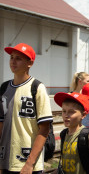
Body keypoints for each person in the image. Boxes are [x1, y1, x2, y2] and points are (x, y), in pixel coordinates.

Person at [0, 43, 53, 173]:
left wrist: (30, 164)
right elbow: (1, 125)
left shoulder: (37, 88)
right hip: (5, 161)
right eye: (12, 57)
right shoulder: (4, 88)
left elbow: (44, 129)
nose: (13, 61)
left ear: (30, 63)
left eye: (18, 58)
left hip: (27, 165)